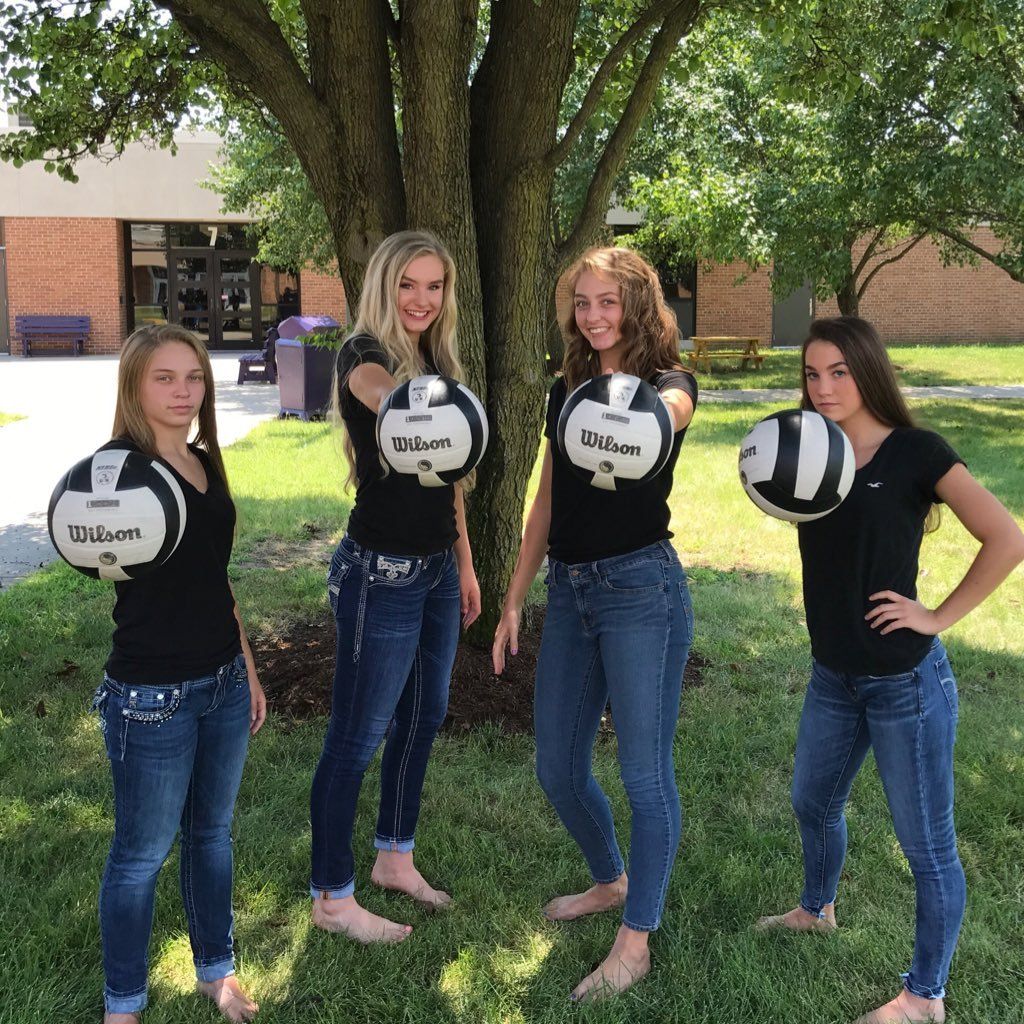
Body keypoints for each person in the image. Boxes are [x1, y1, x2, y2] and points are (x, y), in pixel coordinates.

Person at [755, 317, 1024, 1024]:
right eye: (812, 374)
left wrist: (935, 615)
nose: (823, 387)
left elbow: (1006, 536)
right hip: (833, 677)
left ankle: (925, 997)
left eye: (839, 371)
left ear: (868, 371)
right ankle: (818, 909)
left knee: (927, 848)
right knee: (812, 803)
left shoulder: (915, 452)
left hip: (905, 683)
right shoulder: (811, 451)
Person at [492, 246, 698, 1001]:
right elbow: (547, 498)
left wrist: (643, 407)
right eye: (582, 302)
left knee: (645, 775)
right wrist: (515, 597)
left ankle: (635, 940)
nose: (593, 316)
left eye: (608, 301)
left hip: (642, 589)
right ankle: (612, 879)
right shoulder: (566, 390)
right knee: (557, 766)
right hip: (572, 591)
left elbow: (670, 416)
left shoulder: (670, 385)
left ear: (638, 305)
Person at [309, 230, 481, 943]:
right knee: (356, 737)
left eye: (434, 286)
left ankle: (394, 857)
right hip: (380, 573)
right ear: (385, 286)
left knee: (423, 716)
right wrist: (406, 400)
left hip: (436, 568)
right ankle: (331, 897)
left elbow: (450, 481)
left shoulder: (439, 362)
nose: (421, 299)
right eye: (408, 284)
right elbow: (380, 394)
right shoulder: (363, 356)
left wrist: (465, 563)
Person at [93, 325, 266, 1023]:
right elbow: (88, 543)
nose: (183, 391)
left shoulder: (203, 461)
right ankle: (123, 1005)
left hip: (221, 682)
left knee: (212, 836)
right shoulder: (114, 473)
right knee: (141, 855)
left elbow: (215, 580)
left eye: (193, 377)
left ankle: (215, 971)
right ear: (134, 385)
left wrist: (247, 668)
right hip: (151, 696)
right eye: (164, 378)